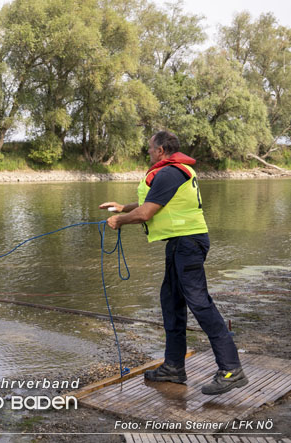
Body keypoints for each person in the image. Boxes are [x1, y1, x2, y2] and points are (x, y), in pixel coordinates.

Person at [99, 130, 248, 395]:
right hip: (180, 244)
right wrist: (123, 208)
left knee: (200, 303)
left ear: (160, 150)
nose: (147, 152)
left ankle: (231, 369)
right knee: (171, 299)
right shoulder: (172, 172)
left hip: (188, 245)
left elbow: (146, 212)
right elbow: (153, 200)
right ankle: (173, 367)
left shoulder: (169, 172)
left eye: (149, 148)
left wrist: (120, 221)